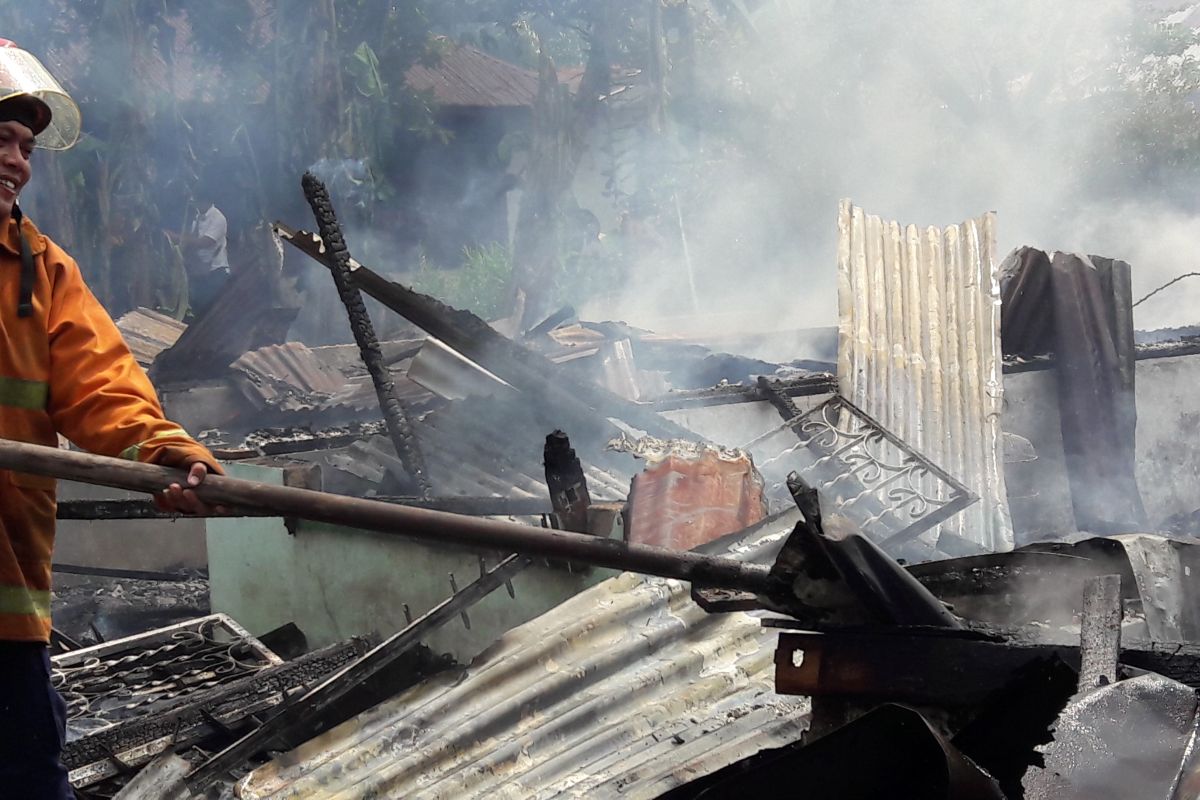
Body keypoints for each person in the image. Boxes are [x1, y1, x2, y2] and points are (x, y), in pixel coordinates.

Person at [0, 39, 222, 798]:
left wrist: (166, 453)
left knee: (27, 777)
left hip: (4, 603)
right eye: (0, 137)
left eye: (26, 147)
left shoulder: (40, 270)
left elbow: (103, 388)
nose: (18, 162)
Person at [170, 179, 230, 316]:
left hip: (216, 272)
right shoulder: (197, 217)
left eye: (197, 200)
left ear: (205, 200)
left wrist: (177, 237)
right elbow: (191, 238)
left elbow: (204, 242)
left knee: (212, 311)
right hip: (200, 272)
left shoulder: (218, 218)